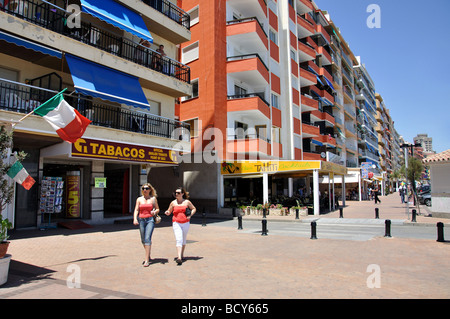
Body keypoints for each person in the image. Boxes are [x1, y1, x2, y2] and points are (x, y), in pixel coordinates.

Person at [165, 187, 196, 266]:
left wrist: (190, 215)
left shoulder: (187, 202)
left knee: (183, 239)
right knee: (179, 239)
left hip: (185, 222)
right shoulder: (173, 203)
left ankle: (182, 255)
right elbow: (169, 211)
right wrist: (167, 212)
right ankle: (179, 257)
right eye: (176, 193)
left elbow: (193, 208)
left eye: (178, 193)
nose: (176, 194)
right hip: (176, 222)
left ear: (182, 194)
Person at [133, 183, 160, 267]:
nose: (145, 190)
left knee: (147, 238)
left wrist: (155, 212)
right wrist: (135, 218)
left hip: (150, 220)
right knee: (143, 240)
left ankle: (146, 260)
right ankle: (148, 254)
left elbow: (158, 208)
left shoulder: (153, 199)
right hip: (141, 220)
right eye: (143, 188)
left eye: (147, 188)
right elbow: (136, 209)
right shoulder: (139, 199)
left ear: (150, 190)